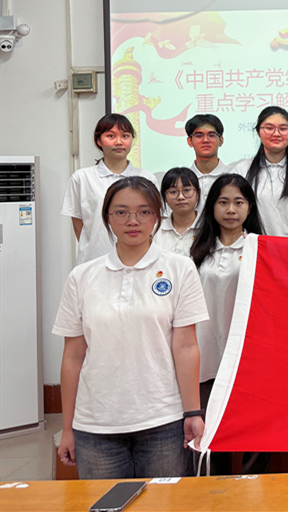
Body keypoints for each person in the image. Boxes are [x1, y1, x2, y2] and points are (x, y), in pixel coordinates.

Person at [53, 176, 208, 479]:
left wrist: (193, 412)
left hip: (163, 420)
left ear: (157, 216)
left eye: (143, 212)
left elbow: (186, 345)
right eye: (121, 212)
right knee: (106, 501)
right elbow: (73, 356)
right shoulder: (82, 276)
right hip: (95, 425)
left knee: (167, 501)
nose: (132, 221)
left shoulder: (180, 268)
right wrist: (67, 427)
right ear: (107, 217)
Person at [190, 174, 265, 474]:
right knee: (210, 428)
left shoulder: (259, 249)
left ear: (249, 208)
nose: (231, 210)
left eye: (238, 202)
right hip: (206, 351)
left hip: (249, 355)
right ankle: (214, 488)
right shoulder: (197, 250)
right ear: (212, 207)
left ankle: (255, 486)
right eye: (223, 202)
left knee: (254, 428)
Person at [61, 114, 158, 265]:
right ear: (99, 141)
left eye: (125, 136)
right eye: (111, 136)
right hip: (94, 260)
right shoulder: (82, 178)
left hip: (139, 261)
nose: (119, 142)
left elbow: (153, 220)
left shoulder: (146, 177)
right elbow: (79, 224)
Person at [231, 107, 288, 238]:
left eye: (283, 128)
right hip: (258, 247)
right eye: (269, 128)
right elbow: (233, 211)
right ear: (258, 132)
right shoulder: (242, 170)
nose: (276, 133)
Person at [185, 114, 231, 213]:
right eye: (199, 136)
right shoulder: (182, 179)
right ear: (189, 141)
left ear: (221, 140)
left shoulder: (233, 176)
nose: (206, 140)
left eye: (211, 135)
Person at [155, 167, 201, 256]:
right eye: (173, 192)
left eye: (187, 190)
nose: (180, 197)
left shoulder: (208, 229)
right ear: (165, 197)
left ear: (198, 193)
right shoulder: (155, 230)